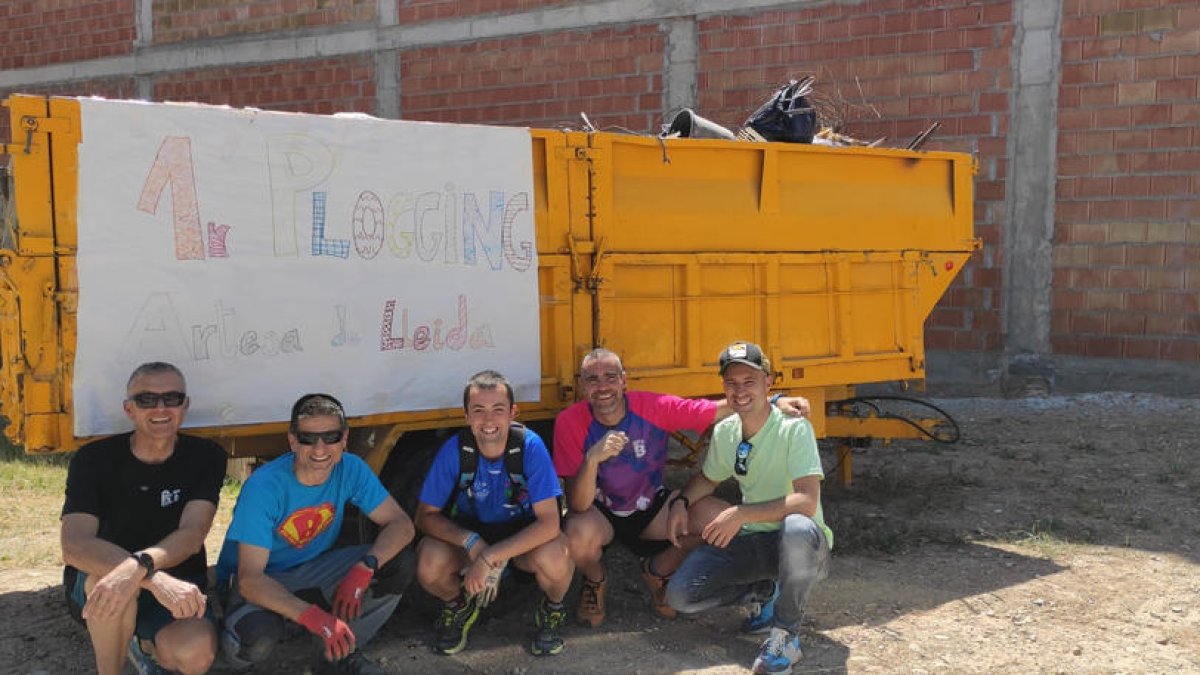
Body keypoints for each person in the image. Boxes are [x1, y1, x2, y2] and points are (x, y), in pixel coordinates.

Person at [553, 348, 809, 627]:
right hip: (599, 513)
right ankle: (594, 580)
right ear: (582, 386)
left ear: (624, 381)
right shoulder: (569, 422)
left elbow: (716, 410)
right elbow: (577, 504)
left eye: (610, 377)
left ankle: (658, 572)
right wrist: (592, 459)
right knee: (575, 533)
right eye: (592, 379)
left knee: (718, 519)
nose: (602, 387)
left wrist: (775, 400)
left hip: (651, 507)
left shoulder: (653, 407)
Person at [216, 393, 415, 675]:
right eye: (308, 438)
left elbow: (401, 524)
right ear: (293, 440)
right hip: (262, 579)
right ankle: (220, 662)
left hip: (313, 570)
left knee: (398, 561)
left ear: (344, 438)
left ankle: (338, 654)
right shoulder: (264, 487)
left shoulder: (351, 467)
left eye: (331, 437)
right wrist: (315, 618)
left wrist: (365, 567)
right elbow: (250, 580)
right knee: (255, 639)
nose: (320, 448)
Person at [664, 342, 833, 675]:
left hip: (804, 545)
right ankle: (766, 591)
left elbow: (806, 501)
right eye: (731, 383)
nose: (739, 390)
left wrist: (741, 513)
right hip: (756, 541)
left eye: (749, 381)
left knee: (797, 526)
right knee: (681, 596)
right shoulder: (727, 430)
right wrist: (682, 502)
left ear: (768, 383)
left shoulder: (793, 426)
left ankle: (785, 636)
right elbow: (708, 479)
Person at [60, 361, 227, 675]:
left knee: (196, 654)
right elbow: (75, 544)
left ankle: (143, 643)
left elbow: (192, 534)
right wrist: (149, 575)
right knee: (110, 584)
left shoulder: (206, 456)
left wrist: (142, 569)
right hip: (109, 581)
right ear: (129, 409)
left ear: (185, 405)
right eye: (146, 399)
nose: (160, 408)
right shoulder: (94, 460)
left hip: (178, 582)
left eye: (172, 398)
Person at [415, 370, 573, 657]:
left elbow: (550, 523)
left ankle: (552, 609)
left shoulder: (530, 447)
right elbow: (424, 516)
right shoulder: (455, 450)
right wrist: (473, 543)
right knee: (429, 561)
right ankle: (457, 605)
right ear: (466, 416)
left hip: (522, 537)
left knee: (556, 556)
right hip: (472, 534)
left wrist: (491, 556)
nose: (488, 421)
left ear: (513, 412)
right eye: (478, 410)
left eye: (498, 410)